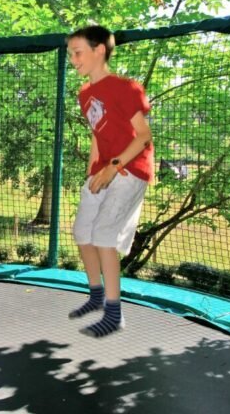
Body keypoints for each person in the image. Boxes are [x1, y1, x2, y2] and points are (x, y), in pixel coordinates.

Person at [66, 26, 153, 338]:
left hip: (131, 169)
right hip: (103, 169)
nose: (72, 59)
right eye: (70, 53)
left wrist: (113, 168)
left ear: (99, 50)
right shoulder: (85, 94)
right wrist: (93, 170)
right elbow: (97, 134)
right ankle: (96, 296)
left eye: (77, 52)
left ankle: (114, 315)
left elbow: (144, 137)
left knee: (103, 235)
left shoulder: (126, 88)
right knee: (82, 232)